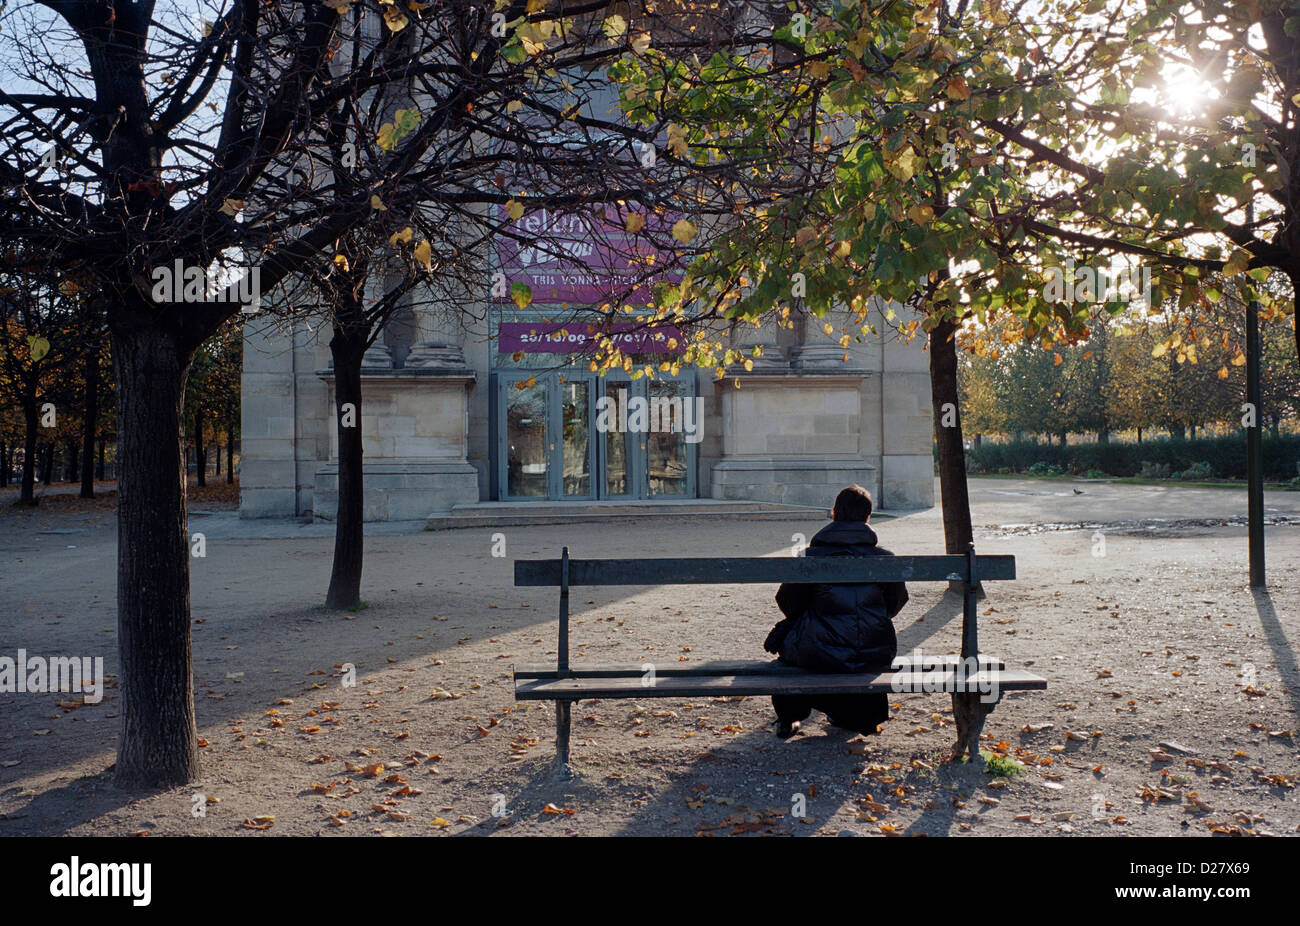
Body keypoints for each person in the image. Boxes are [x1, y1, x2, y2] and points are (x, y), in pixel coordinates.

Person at [763, 484, 909, 738]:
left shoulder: (809, 557)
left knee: (789, 648)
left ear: (834, 514)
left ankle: (789, 715)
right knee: (852, 654)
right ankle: (859, 716)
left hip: (817, 651)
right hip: (873, 650)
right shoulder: (885, 558)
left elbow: (788, 602)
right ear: (867, 517)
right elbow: (896, 602)